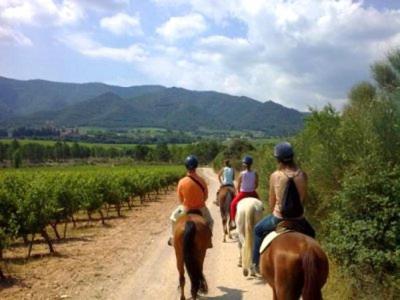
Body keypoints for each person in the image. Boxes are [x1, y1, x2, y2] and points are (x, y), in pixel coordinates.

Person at [251, 142, 315, 273]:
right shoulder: (302, 175)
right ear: (292, 156)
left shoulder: (275, 176)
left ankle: (255, 264)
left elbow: (272, 201)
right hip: (299, 219)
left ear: (278, 159)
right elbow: (303, 198)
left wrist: (274, 212)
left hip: (279, 218)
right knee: (312, 234)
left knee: (257, 230)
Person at [168, 155, 214, 247]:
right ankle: (208, 241)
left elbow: (180, 199)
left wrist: (186, 204)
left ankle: (173, 239)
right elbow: (206, 197)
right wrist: (199, 202)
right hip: (201, 208)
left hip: (185, 208)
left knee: (173, 218)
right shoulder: (202, 181)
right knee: (210, 221)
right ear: (196, 166)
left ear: (186, 166)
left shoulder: (181, 181)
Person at [229, 155, 259, 229]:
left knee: (232, 205)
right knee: (260, 205)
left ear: (244, 164)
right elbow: (256, 184)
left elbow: (238, 185)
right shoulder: (255, 173)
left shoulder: (242, 174)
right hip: (252, 193)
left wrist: (238, 192)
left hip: (243, 193)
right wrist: (252, 188)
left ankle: (233, 221)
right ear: (251, 164)